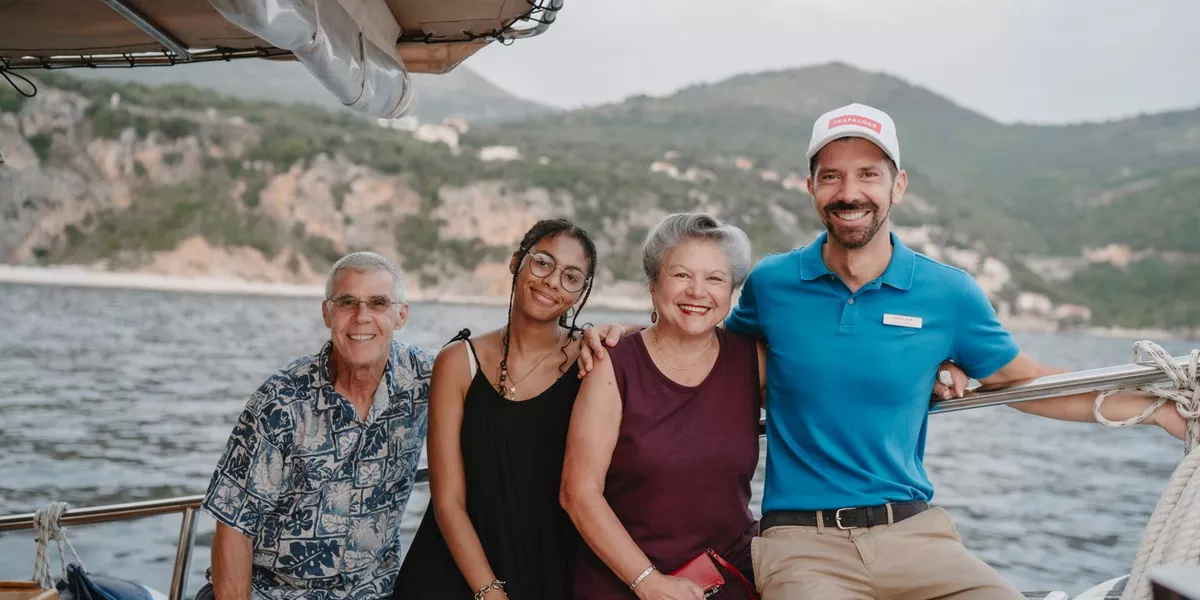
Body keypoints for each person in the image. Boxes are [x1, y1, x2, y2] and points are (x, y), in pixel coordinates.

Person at [720, 103, 1188, 599]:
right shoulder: (772, 283)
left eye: (868, 174)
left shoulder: (949, 293)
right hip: (801, 543)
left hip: (913, 535)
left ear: (898, 185)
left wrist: (1156, 409)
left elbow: (1027, 383)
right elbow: (706, 358)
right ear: (810, 187)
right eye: (831, 176)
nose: (849, 192)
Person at [561, 213, 968, 600]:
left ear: (731, 293)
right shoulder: (612, 364)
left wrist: (930, 369)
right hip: (627, 579)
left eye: (715, 278)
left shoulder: (750, 361)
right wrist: (648, 582)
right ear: (654, 285)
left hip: (729, 575)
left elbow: (839, 385)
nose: (697, 292)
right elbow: (579, 493)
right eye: (681, 275)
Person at [198, 251, 433, 600]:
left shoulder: (426, 379)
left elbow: (499, 372)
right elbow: (233, 528)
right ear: (327, 312)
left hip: (373, 593)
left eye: (378, 302)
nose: (362, 316)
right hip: (270, 591)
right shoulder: (280, 401)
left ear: (401, 315)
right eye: (347, 302)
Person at [392, 219, 598, 600]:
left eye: (571, 277)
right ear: (516, 262)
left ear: (581, 292)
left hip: (550, 571)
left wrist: (617, 330)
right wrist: (490, 593)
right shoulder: (458, 361)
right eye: (543, 262)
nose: (552, 282)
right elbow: (448, 501)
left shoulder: (593, 361)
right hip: (454, 572)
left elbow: (653, 341)